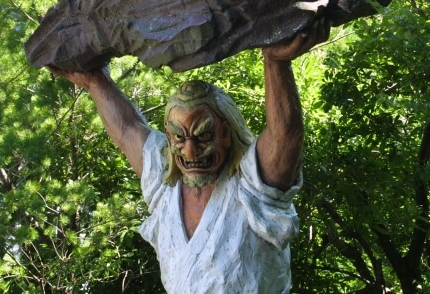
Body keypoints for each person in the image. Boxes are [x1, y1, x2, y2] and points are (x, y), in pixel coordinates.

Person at [50, 19, 331, 293]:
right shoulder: (165, 183)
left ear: (226, 132)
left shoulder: (253, 187)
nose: (189, 150)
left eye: (203, 135)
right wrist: (94, 80)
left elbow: (286, 135)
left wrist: (275, 63)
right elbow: (126, 129)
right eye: (179, 137)